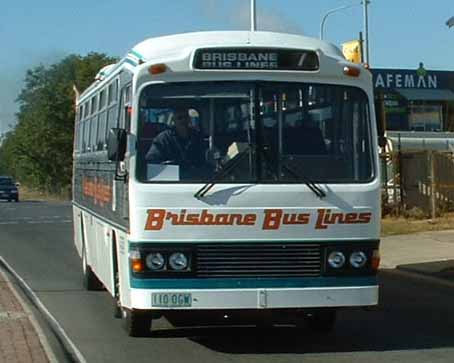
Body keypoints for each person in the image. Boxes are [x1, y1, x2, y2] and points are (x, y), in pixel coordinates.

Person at [145, 108, 208, 177]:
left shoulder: (197, 136)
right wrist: (169, 165)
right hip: (171, 178)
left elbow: (204, 158)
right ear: (173, 120)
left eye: (186, 117)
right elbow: (151, 159)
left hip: (195, 179)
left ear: (189, 119)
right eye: (179, 118)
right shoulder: (163, 138)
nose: (183, 120)